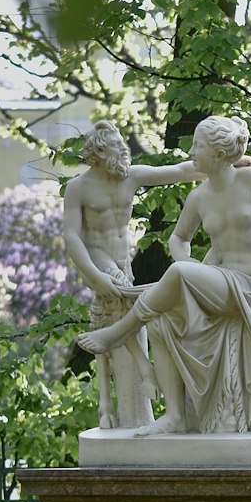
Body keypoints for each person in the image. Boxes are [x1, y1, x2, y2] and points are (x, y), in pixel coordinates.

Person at [78, 116, 251, 435]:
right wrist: (193, 269)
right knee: (163, 322)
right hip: (219, 284)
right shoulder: (198, 197)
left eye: (198, 145)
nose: (191, 150)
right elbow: (179, 239)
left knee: (178, 273)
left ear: (218, 153)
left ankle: (120, 330)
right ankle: (175, 416)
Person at [62, 120, 202, 427]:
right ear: (98, 151)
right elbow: (72, 236)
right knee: (126, 302)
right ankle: (146, 369)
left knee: (130, 316)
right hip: (97, 260)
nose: (124, 149)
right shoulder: (79, 188)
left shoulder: (130, 177)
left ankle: (130, 410)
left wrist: (220, 165)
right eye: (116, 145)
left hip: (123, 261)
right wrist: (94, 276)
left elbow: (179, 171)